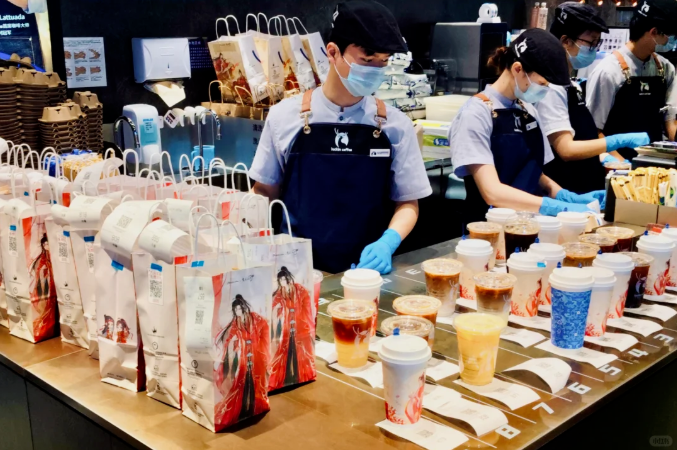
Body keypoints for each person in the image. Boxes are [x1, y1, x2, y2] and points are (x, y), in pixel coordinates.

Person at [250, 1, 432, 275]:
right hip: (298, 274)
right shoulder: (283, 117)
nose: (376, 70)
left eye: (383, 61)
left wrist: (388, 242)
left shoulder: (396, 125)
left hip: (367, 275)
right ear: (333, 52)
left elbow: (407, 202)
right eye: (367, 60)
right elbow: (264, 193)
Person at [449, 28, 600, 221]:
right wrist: (553, 206)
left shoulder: (528, 110)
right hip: (489, 227)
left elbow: (533, 173)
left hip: (528, 224)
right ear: (517, 69)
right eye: (542, 83)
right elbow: (492, 192)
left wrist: (566, 196)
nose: (545, 90)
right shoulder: (475, 114)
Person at [537, 2, 650, 194]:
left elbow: (584, 137)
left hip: (586, 185)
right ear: (565, 41)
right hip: (565, 189)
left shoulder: (571, 85)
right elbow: (566, 150)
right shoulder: (550, 88)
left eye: (598, 43)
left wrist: (607, 158)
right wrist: (618, 141)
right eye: (591, 43)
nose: (594, 49)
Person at [586, 0, 677, 162]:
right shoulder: (608, 72)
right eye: (671, 36)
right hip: (617, 165)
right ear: (654, 32)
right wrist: (622, 165)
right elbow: (593, 131)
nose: (672, 42)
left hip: (656, 164)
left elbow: (670, 121)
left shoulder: (665, 68)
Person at [215, 295, 270, 425]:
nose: (238, 312)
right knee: (241, 383)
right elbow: (230, 342)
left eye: (239, 309)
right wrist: (234, 344)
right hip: (243, 357)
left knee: (257, 382)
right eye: (236, 310)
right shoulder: (235, 324)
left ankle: (255, 405)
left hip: (256, 354)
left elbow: (264, 328)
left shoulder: (255, 318)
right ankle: (242, 409)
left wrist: (258, 347)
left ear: (244, 308)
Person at [269, 266, 315, 391]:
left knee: (302, 351)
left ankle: (303, 375)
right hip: (286, 325)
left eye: (284, 279)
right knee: (285, 351)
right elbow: (272, 306)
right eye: (280, 280)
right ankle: (285, 378)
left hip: (300, 323)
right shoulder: (279, 293)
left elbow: (306, 306)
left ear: (288, 279)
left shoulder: (299, 289)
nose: (282, 282)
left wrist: (305, 322)